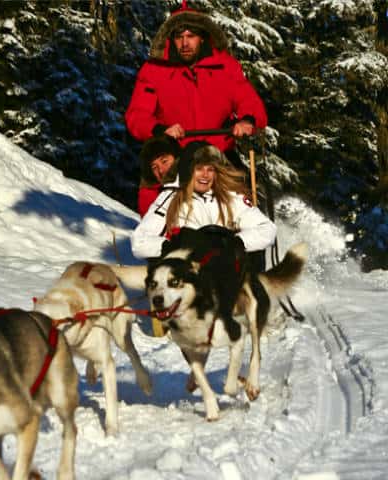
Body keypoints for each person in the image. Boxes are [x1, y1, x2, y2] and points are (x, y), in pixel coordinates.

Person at [131, 142, 277, 340]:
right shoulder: (170, 197)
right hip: (190, 274)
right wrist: (168, 246)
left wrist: (237, 242)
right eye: (199, 169)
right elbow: (139, 242)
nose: (205, 175)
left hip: (226, 267)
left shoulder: (231, 196)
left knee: (249, 260)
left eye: (210, 170)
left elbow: (267, 229)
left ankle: (253, 313)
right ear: (188, 170)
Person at [125, 1, 268, 166]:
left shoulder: (226, 66)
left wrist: (247, 121)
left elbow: (249, 102)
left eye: (191, 36)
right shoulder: (153, 70)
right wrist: (159, 131)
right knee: (154, 188)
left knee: (243, 189)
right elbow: (137, 115)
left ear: (202, 38)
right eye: (179, 37)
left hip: (218, 156)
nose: (185, 43)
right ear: (171, 40)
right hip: (173, 157)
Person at [138, 135, 181, 217]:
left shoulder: (198, 179)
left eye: (164, 161)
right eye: (154, 167)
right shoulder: (149, 196)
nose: (161, 170)